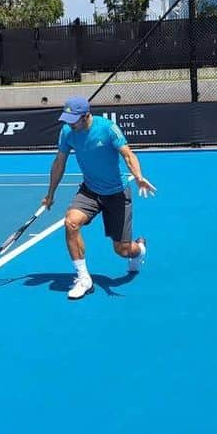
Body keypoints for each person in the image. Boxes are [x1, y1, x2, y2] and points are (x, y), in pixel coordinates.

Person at [42, 96, 155, 300]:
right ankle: (84, 279)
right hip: (90, 191)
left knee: (122, 250)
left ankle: (140, 249)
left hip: (116, 193)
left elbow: (128, 155)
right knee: (71, 223)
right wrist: (50, 194)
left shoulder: (108, 128)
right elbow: (59, 163)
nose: (68, 122)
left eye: (72, 118)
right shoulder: (67, 131)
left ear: (85, 116)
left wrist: (138, 177)